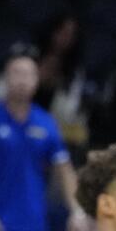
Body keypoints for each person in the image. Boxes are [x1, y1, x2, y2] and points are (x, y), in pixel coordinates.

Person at [0, 45, 87, 231]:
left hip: (32, 225)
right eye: (16, 73)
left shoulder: (46, 124)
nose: (22, 80)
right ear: (5, 78)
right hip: (1, 224)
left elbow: (65, 171)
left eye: (28, 74)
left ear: (37, 80)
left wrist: (76, 211)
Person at [33, 13, 90, 150]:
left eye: (71, 34)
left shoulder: (75, 72)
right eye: (62, 31)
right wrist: (36, 79)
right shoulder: (29, 54)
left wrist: (57, 84)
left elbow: (70, 113)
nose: (65, 38)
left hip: (52, 128)